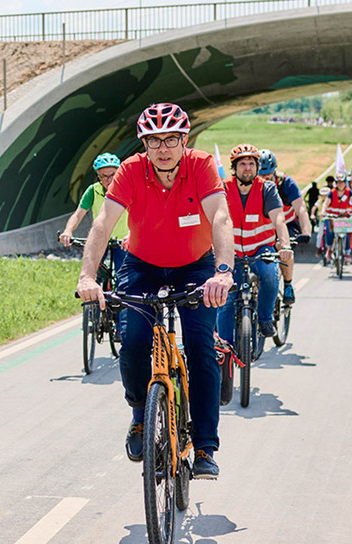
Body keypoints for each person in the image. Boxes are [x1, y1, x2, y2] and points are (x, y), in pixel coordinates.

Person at [76, 103, 234, 479]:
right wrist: (87, 276)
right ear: (144, 144)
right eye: (154, 141)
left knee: (200, 348)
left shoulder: (200, 167)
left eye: (171, 140)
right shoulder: (131, 170)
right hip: (141, 264)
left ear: (185, 140)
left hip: (195, 265)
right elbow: (103, 223)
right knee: (131, 342)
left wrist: (223, 272)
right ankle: (139, 415)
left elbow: (221, 217)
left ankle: (205, 447)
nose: (163, 149)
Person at [218, 144, 292, 347]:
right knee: (226, 299)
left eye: (252, 163)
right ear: (234, 168)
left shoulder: (267, 189)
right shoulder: (223, 188)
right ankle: (224, 348)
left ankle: (265, 318)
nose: (248, 168)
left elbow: (279, 219)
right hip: (230, 251)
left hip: (261, 248)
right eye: (243, 164)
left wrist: (284, 245)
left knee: (269, 273)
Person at [59, 152, 129, 271]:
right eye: (104, 176)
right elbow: (78, 214)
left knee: (123, 277)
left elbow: (141, 215)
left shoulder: (128, 189)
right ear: (98, 177)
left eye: (113, 175)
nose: (109, 180)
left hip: (123, 240)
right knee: (91, 271)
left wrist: (132, 234)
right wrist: (68, 231)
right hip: (100, 237)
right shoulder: (93, 191)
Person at [257, 149, 309, 304]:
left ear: (275, 172)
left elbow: (301, 208)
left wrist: (306, 231)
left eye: (269, 176)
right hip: (264, 226)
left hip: (287, 223)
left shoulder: (286, 183)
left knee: (283, 248)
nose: (266, 180)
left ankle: (288, 284)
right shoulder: (252, 185)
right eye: (261, 177)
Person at [319, 176, 352, 262]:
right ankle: (329, 248)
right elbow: (326, 203)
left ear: (345, 183)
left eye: (342, 182)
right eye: (338, 183)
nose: (340, 185)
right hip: (332, 216)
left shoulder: (349, 192)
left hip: (344, 216)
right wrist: (323, 212)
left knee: (345, 233)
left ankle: (347, 253)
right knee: (329, 231)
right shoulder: (332, 193)